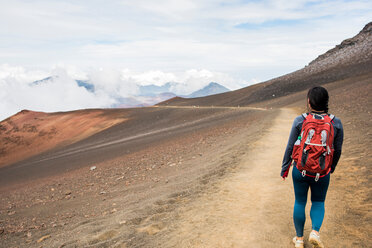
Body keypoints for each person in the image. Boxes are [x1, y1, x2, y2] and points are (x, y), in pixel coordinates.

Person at [281, 86, 344, 248]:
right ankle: (315, 232)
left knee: (300, 202)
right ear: (326, 102)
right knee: (318, 201)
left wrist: (285, 167)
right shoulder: (335, 122)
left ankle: (299, 239)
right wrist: (331, 167)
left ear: (309, 102)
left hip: (300, 170)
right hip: (322, 172)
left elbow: (290, 147)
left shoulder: (300, 120)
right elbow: (337, 149)